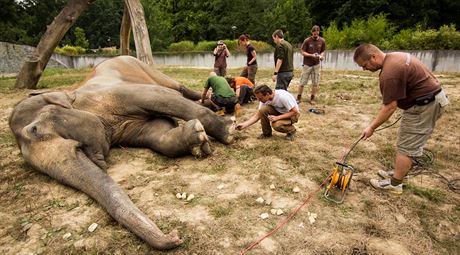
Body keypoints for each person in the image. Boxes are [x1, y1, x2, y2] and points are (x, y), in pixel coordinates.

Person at [353, 43, 449, 195]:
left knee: (406, 147)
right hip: (428, 101)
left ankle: (395, 184)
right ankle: (398, 173)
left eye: (364, 65)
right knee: (406, 141)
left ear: (373, 57)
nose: (364, 69)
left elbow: (390, 107)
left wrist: (371, 127)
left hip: (425, 107)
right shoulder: (396, 56)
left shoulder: (389, 73)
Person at [297, 25, 326, 104]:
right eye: (314, 34)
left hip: (316, 65)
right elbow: (302, 52)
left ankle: (312, 99)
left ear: (319, 32)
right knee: (302, 82)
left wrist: (322, 56)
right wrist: (311, 55)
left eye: (317, 33)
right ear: (312, 32)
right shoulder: (307, 41)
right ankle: (298, 98)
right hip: (307, 64)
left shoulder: (322, 41)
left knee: (315, 83)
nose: (315, 35)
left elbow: (323, 51)